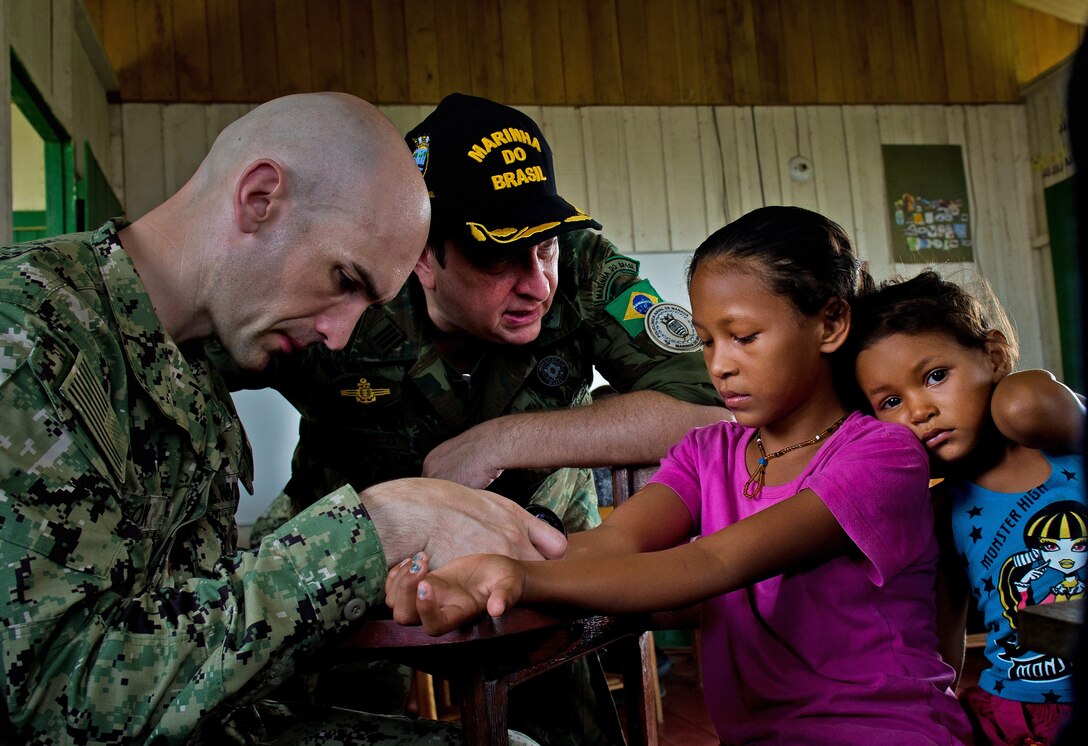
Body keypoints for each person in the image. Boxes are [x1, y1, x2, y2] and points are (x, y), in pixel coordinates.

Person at [0, 92, 565, 745]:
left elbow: (180, 596)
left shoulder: (197, 350)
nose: (340, 333)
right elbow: (52, 696)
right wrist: (371, 530)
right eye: (344, 280)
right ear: (259, 198)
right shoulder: (28, 339)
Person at [385, 206, 974, 744]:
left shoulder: (881, 456)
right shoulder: (708, 452)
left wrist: (521, 578)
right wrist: (469, 565)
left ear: (829, 323)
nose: (719, 365)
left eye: (744, 338)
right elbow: (612, 543)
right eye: (705, 340)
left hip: (885, 731)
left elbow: (711, 563)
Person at [243, 92, 726, 544]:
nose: (538, 285)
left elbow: (710, 412)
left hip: (552, 556)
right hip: (343, 571)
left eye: (545, 246)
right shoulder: (349, 287)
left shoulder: (584, 269)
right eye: (498, 257)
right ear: (425, 257)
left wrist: (502, 442)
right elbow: (193, 358)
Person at [850, 269, 1086, 745]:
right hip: (1021, 713)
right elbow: (945, 626)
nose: (918, 411)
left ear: (994, 356)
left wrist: (1023, 400)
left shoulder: (1051, 425)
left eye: (936, 376)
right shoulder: (938, 508)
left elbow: (1029, 401)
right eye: (891, 401)